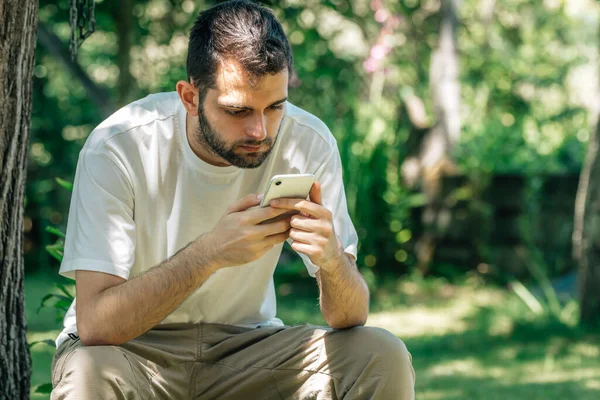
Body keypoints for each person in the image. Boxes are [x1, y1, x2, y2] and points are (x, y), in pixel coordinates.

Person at [50, 1, 415, 399]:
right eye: (237, 110)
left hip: (246, 350)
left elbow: (350, 315)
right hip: (129, 351)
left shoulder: (308, 141)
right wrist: (210, 253)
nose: (260, 130)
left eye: (275, 106)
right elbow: (97, 327)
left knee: (380, 353)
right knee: (88, 369)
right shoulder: (119, 145)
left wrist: (331, 260)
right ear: (190, 97)